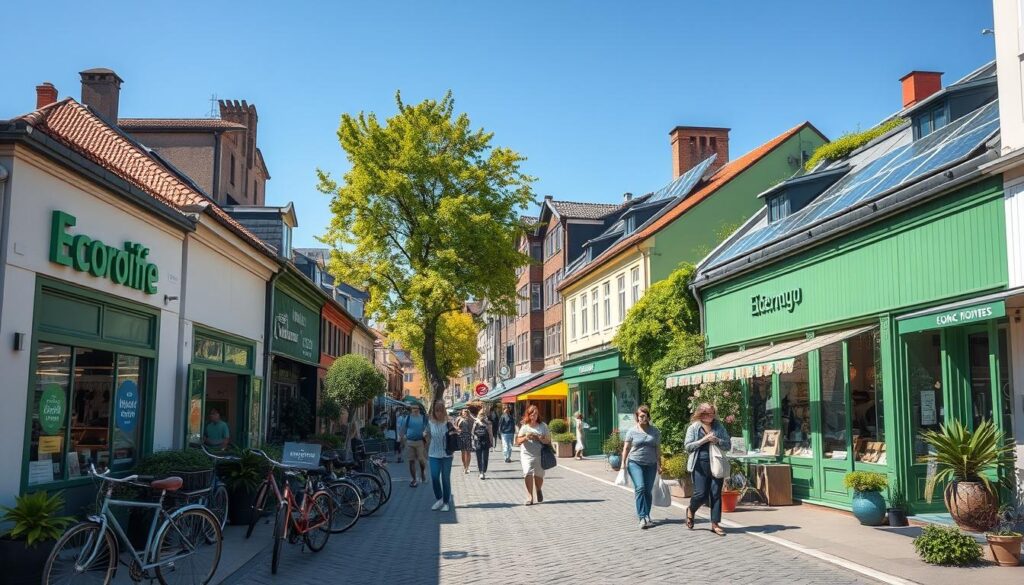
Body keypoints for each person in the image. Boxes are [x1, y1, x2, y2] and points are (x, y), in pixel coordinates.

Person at [684, 402, 732, 536]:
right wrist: (703, 440)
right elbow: (688, 447)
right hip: (699, 464)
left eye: (712, 413)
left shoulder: (719, 426)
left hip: (716, 462)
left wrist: (718, 441)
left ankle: (715, 524)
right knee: (701, 494)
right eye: (706, 413)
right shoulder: (694, 428)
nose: (710, 416)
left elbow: (728, 444)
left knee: (716, 493)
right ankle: (691, 510)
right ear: (700, 414)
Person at [620, 405, 661, 529]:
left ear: (648, 417)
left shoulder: (655, 431)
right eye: (640, 416)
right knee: (640, 488)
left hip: (651, 464)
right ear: (637, 417)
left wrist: (660, 464)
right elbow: (626, 448)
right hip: (635, 462)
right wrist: (623, 463)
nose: (642, 418)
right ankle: (642, 516)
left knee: (648, 491)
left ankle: (647, 514)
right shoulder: (632, 431)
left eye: (645, 416)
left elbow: (658, 448)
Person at [515, 405, 551, 505]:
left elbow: (548, 440)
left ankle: (538, 489)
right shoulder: (525, 426)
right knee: (527, 473)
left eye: (535, 414)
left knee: (539, 475)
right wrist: (526, 438)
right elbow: (517, 441)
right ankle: (529, 496)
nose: (534, 416)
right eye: (532, 414)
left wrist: (539, 438)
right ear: (528, 415)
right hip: (526, 454)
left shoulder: (543, 426)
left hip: (540, 454)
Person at [425, 400, 457, 511]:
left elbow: (454, 436)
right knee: (434, 477)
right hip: (433, 453)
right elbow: (426, 433)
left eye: (440, 410)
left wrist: (453, 433)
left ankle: (446, 502)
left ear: (444, 411)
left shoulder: (448, 422)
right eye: (436, 410)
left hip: (446, 454)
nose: (438, 413)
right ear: (434, 411)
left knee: (445, 478)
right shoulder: (430, 422)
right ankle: (439, 498)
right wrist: (425, 435)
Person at [399, 404, 428, 487]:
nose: (415, 410)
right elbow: (402, 430)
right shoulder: (407, 418)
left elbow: (427, 427)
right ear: (411, 410)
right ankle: (414, 479)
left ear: (419, 409)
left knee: (421, 460)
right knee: (411, 461)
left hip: (420, 442)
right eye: (413, 408)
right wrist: (402, 439)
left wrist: (425, 432)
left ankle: (422, 472)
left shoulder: (423, 418)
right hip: (409, 442)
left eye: (416, 408)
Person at [471, 409, 494, 479]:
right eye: (481, 415)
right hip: (484, 442)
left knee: (480, 458)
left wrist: (473, 441)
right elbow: (490, 434)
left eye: (482, 415)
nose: (481, 416)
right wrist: (491, 442)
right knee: (484, 457)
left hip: (479, 441)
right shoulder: (488, 423)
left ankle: (481, 472)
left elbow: (472, 433)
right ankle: (482, 471)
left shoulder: (476, 422)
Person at [455, 409, 474, 474]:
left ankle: (467, 467)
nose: (465, 414)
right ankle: (464, 466)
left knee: (468, 452)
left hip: (468, 436)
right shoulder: (458, 419)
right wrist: (457, 430)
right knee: (463, 452)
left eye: (466, 413)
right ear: (462, 413)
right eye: (464, 413)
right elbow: (455, 426)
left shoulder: (471, 419)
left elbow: (473, 427)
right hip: (461, 437)